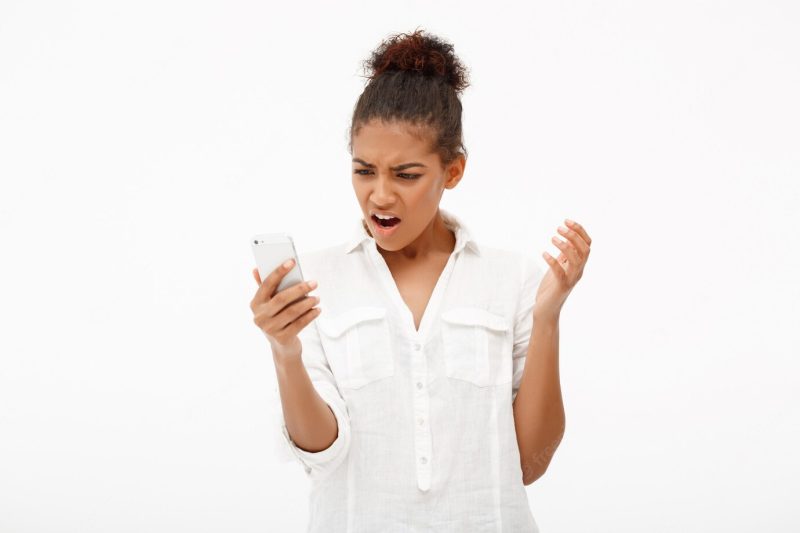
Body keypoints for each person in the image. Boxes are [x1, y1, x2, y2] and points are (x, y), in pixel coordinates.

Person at [250, 28, 592, 533]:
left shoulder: (514, 278)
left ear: (452, 171)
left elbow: (530, 463)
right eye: (364, 171)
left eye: (406, 175)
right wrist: (285, 352)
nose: (380, 196)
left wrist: (547, 319)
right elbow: (322, 452)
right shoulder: (318, 281)